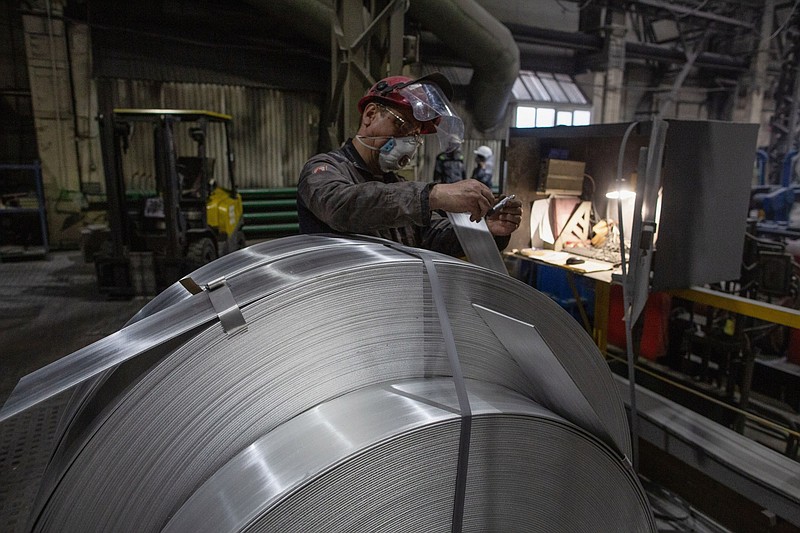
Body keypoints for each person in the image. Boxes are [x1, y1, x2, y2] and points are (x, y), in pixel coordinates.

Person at [297, 73, 522, 258]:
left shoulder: (397, 186)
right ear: (370, 115)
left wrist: (486, 229)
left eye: (415, 135)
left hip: (391, 301)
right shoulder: (324, 169)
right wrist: (433, 195)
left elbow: (432, 236)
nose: (409, 143)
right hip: (336, 303)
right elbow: (340, 205)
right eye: (402, 125)